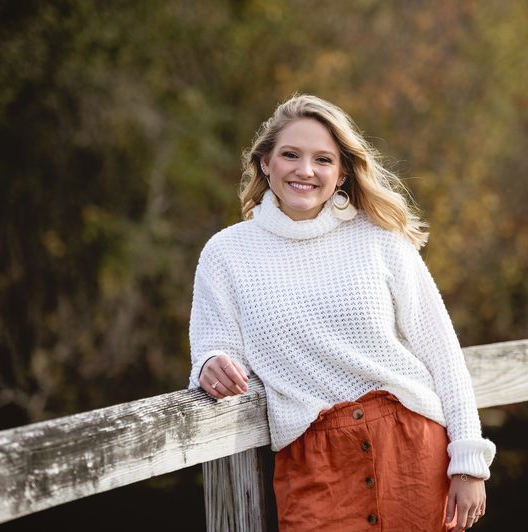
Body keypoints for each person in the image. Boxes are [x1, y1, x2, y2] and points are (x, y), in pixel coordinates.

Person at [188, 94, 495, 531]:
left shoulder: (379, 239)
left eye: (323, 160)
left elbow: (442, 352)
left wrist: (468, 463)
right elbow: (212, 344)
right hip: (314, 464)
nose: (305, 170)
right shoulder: (227, 253)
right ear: (265, 163)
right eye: (290, 155)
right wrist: (210, 365)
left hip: (410, 449)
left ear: (342, 172)